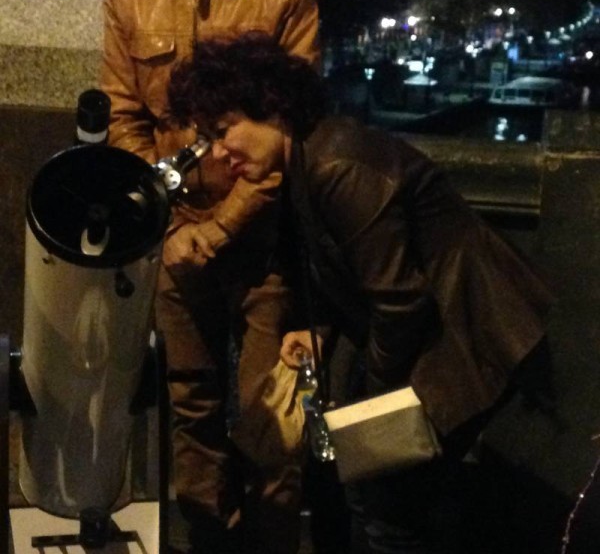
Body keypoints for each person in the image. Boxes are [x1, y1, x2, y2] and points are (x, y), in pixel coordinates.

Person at [166, 32, 556, 554]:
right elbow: (345, 273)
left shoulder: (338, 165)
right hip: (428, 336)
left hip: (467, 335)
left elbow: (399, 301)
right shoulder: (308, 158)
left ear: (271, 108)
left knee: (388, 509)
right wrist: (319, 333)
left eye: (223, 130)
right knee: (373, 498)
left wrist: (369, 409)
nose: (218, 153)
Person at [99, 0, 320, 553]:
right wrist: (167, 223)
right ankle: (205, 542)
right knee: (188, 404)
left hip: (265, 238)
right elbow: (125, 121)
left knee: (269, 416)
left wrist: (218, 229)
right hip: (174, 237)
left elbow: (288, 127)